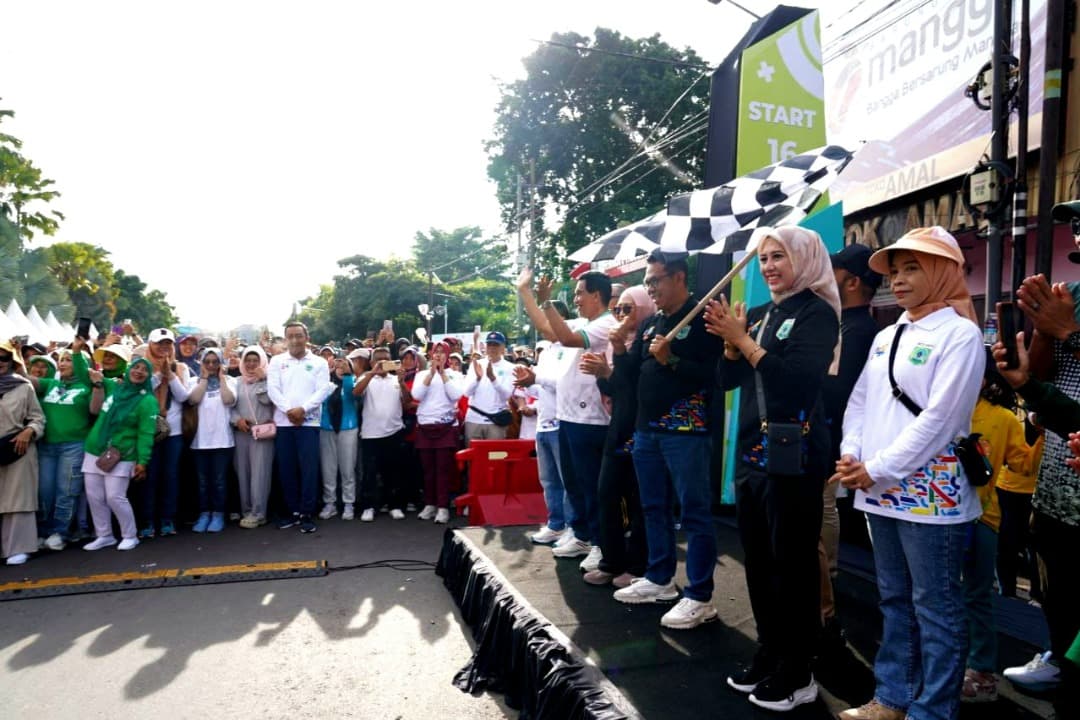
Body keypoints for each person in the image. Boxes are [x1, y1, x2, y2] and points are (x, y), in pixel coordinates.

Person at [834, 227, 984, 720]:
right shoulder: (886, 334)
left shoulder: (960, 334)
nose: (897, 280)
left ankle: (933, 710)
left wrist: (875, 467)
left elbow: (941, 420)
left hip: (930, 495)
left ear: (943, 271)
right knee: (895, 599)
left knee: (936, 608)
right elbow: (859, 403)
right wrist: (853, 454)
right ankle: (892, 698)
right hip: (878, 489)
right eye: (894, 271)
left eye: (911, 268)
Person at [705, 226, 840, 711]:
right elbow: (727, 382)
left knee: (795, 564)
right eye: (763, 259)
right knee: (759, 561)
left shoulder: (817, 314)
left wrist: (745, 341)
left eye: (778, 256)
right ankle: (770, 651)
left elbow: (799, 385)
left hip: (797, 457)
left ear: (803, 258)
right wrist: (729, 345)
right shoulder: (759, 314)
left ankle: (799, 669)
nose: (768, 268)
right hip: (751, 455)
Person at [610, 249, 722, 628]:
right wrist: (620, 347)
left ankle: (700, 594)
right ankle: (659, 578)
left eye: (655, 280)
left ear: (678, 278)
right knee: (652, 507)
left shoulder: (705, 320)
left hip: (686, 432)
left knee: (694, 513)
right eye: (647, 282)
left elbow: (714, 376)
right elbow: (630, 378)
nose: (651, 288)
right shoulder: (650, 324)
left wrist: (670, 358)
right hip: (647, 431)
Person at [961, 352, 1037, 703]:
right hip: (933, 519)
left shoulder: (1004, 418)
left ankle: (982, 672)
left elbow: (1022, 463)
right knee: (938, 596)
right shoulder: (934, 410)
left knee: (976, 595)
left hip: (981, 520)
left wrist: (1041, 431)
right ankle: (948, 665)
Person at [819, 244, 882, 655]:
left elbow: (844, 391)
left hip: (839, 441)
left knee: (822, 511)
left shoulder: (860, 331)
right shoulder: (846, 325)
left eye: (834, 272)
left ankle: (828, 585)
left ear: (853, 281)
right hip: (835, 438)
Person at [539, 271, 618, 571]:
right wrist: (530, 295)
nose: (575, 299)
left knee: (591, 485)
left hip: (591, 419)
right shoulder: (587, 323)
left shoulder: (605, 324)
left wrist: (547, 302)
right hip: (568, 416)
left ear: (597, 295)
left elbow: (566, 338)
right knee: (574, 483)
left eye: (579, 293)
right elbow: (549, 331)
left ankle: (600, 542)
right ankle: (583, 534)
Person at [579, 285, 656, 587]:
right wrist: (603, 374)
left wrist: (610, 371)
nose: (621, 315)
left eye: (628, 309)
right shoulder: (618, 344)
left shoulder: (650, 341)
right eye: (617, 310)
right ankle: (611, 560)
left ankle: (638, 566)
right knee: (606, 492)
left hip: (643, 428)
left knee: (638, 501)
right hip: (619, 426)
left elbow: (639, 388)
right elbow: (614, 389)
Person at [82, 356, 160, 552]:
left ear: (148, 376)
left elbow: (146, 433)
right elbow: (86, 374)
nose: (139, 371)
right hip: (95, 449)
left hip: (122, 454)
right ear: (128, 370)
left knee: (114, 497)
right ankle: (104, 535)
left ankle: (130, 535)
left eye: (144, 370)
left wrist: (143, 461)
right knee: (94, 496)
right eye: (136, 367)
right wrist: (76, 350)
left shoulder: (147, 401)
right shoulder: (114, 387)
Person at [29, 338, 98, 551]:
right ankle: (43, 531)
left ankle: (61, 532)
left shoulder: (87, 386)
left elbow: (95, 409)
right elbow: (25, 378)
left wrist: (76, 351)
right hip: (47, 447)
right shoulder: (51, 384)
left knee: (66, 491)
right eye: (60, 360)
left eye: (68, 360)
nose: (63, 363)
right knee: (45, 492)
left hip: (74, 446)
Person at [267, 322, 333, 534]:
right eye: (291, 336)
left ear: (307, 337)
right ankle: (292, 511)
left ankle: (306, 513)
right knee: (286, 469)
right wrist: (290, 411)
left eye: (298, 336)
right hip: (285, 423)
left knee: (309, 470)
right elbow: (273, 390)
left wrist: (303, 410)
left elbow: (323, 390)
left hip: (309, 422)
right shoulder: (277, 361)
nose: (295, 340)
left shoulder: (319, 362)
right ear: (286, 339)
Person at [139, 327, 193, 539]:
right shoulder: (141, 367)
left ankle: (168, 519)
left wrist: (169, 375)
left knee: (170, 476)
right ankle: (147, 521)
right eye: (159, 344)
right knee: (149, 477)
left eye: (167, 344)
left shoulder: (180, 368)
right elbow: (140, 393)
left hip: (174, 432)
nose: (164, 348)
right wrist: (157, 375)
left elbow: (183, 397)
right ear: (150, 345)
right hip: (148, 431)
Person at [0, 341, 46, 565]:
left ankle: (19, 548)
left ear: (12, 362)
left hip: (17, 447)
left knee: (19, 500)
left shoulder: (23, 386)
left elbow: (38, 417)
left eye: (4, 358)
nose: (0, 363)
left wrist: (29, 430)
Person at [411, 341, 465, 523]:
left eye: (443, 352)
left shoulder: (455, 375)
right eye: (436, 352)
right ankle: (429, 504)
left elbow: (456, 395)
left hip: (446, 426)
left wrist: (442, 374)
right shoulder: (422, 374)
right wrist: (431, 374)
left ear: (448, 356)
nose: (439, 355)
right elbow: (417, 395)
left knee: (443, 469)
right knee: (428, 469)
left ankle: (442, 507)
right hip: (425, 425)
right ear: (431, 355)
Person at [186, 347, 237, 533]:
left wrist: (222, 378)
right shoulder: (194, 381)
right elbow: (193, 399)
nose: (211, 365)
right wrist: (205, 378)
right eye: (207, 361)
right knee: (202, 481)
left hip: (223, 441)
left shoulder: (231, 381)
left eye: (215, 361)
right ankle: (204, 513)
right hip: (199, 441)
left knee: (219, 480)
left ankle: (218, 513)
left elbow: (228, 400)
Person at [355, 346, 409, 522]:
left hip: (394, 431)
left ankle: (394, 505)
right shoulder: (366, 377)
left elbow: (408, 402)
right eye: (379, 360)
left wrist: (402, 382)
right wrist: (372, 373)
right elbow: (355, 393)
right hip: (371, 434)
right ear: (371, 362)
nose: (383, 363)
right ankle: (369, 506)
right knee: (370, 472)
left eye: (386, 359)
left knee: (394, 472)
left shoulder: (396, 379)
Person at [232, 345, 275, 528]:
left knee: (260, 473)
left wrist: (263, 380)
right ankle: (246, 510)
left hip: (262, 433)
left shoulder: (270, 381)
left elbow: (267, 400)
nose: (251, 364)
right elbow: (229, 406)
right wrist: (236, 420)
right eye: (247, 360)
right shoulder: (236, 382)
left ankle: (259, 513)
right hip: (241, 432)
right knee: (243, 472)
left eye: (255, 360)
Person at [318, 354, 359, 521]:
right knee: (328, 468)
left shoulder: (353, 382)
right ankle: (330, 503)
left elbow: (351, 395)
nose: (340, 368)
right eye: (338, 365)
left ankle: (349, 503)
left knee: (348, 468)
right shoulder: (326, 383)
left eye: (344, 365)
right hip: (327, 428)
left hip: (347, 428)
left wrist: (348, 374)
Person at [463, 331, 514, 442]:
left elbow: (507, 395)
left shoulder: (510, 368)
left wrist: (493, 379)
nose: (492, 348)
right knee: (473, 457)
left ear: (503, 347)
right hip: (474, 419)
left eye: (496, 345)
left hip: (496, 421)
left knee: (494, 457)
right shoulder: (476, 364)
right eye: (489, 344)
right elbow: (466, 393)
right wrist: (477, 379)